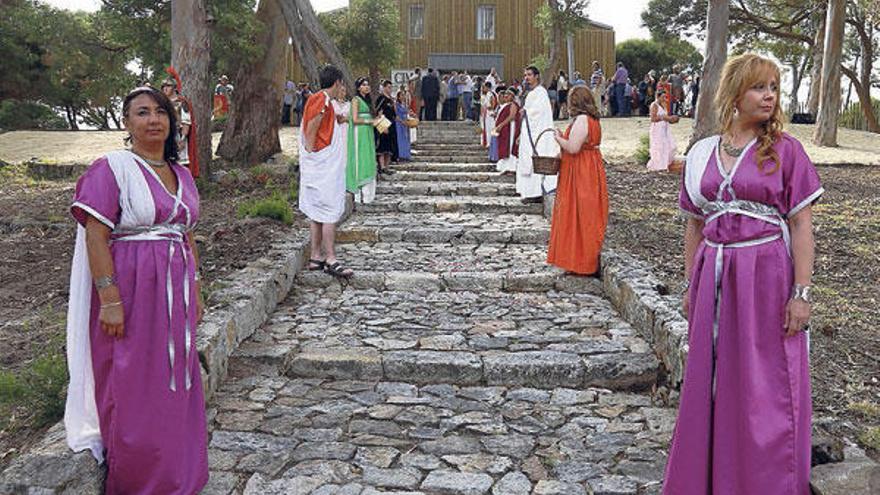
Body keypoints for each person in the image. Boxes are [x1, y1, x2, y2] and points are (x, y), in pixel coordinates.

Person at [664, 53, 823, 495]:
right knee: (713, 382)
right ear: (735, 94)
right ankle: (709, 479)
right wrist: (689, 285)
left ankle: (765, 482)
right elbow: (695, 224)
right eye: (759, 86)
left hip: (767, 280)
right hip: (713, 278)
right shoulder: (701, 154)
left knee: (765, 384)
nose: (769, 95)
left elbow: (801, 224)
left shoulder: (786, 151)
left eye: (774, 86)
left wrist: (802, 293)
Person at [64, 86, 208, 494]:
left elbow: (187, 236)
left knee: (174, 379)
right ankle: (138, 480)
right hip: (130, 291)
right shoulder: (111, 168)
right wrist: (109, 298)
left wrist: (195, 290)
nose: (153, 119)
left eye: (160, 111)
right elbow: (96, 235)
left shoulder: (181, 174)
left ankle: (180, 475)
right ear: (127, 123)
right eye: (142, 112)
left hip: (174, 294)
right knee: (131, 381)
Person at [299, 65, 354, 278]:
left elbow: (325, 122)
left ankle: (315, 256)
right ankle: (330, 257)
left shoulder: (325, 102)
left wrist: (340, 119)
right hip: (322, 165)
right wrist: (312, 153)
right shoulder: (321, 100)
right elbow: (312, 126)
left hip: (321, 164)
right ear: (337, 82)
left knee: (317, 213)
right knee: (329, 212)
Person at [547, 85, 608, 275]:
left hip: (580, 171)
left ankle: (581, 262)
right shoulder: (593, 120)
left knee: (578, 214)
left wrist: (558, 138)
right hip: (588, 167)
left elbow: (573, 148)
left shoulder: (582, 120)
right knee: (585, 213)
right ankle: (579, 260)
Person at [517, 66, 559, 204]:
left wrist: (526, 111)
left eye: (529, 75)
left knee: (535, 159)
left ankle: (537, 192)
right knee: (527, 160)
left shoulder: (541, 92)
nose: (526, 78)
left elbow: (540, 112)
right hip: (528, 132)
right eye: (525, 75)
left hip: (537, 133)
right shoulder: (531, 93)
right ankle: (528, 192)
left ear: (536, 76)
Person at [160, 70, 199, 178]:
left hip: (177, 137)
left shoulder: (182, 103)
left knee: (179, 166)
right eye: (163, 86)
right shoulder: (161, 103)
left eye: (168, 86)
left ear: (175, 88)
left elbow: (186, 123)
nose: (165, 88)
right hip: (164, 137)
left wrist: (182, 139)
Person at [347, 77, 378, 204]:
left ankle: (369, 194)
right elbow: (354, 119)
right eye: (364, 85)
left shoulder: (368, 101)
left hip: (368, 132)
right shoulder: (356, 100)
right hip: (359, 132)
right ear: (359, 87)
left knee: (368, 157)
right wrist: (369, 121)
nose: (367, 87)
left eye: (368, 84)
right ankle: (359, 192)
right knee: (360, 157)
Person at [647, 90, 679, 171]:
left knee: (668, 145)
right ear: (658, 97)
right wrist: (663, 118)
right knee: (659, 147)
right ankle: (658, 165)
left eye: (665, 97)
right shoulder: (654, 105)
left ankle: (665, 164)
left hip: (664, 128)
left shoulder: (664, 105)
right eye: (663, 97)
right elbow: (653, 118)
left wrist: (671, 119)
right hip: (657, 129)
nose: (664, 99)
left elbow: (666, 116)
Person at [494, 86, 520, 175]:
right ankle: (505, 167)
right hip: (505, 130)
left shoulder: (513, 104)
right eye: (505, 94)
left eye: (508, 94)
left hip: (511, 129)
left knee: (510, 147)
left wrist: (501, 125)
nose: (506, 96)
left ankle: (512, 168)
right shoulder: (504, 105)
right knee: (504, 147)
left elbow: (512, 116)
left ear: (513, 96)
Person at [375, 80, 399, 170]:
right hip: (383, 125)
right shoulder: (381, 99)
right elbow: (378, 113)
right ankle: (382, 166)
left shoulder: (391, 100)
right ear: (384, 87)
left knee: (390, 147)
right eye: (388, 87)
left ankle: (387, 166)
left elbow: (394, 114)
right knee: (382, 147)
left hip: (392, 124)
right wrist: (382, 126)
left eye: (391, 87)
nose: (390, 89)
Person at [480, 82, 498, 162]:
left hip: (489, 112)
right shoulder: (487, 94)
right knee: (486, 128)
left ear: (487, 87)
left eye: (484, 87)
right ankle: (487, 142)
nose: (483, 89)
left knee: (490, 128)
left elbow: (493, 102)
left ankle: (489, 143)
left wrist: (491, 108)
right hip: (486, 112)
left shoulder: (491, 94)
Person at [395, 90, 412, 161]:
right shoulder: (396, 104)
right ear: (398, 97)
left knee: (406, 138)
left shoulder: (404, 104)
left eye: (403, 95)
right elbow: (396, 115)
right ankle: (401, 155)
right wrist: (401, 121)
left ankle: (406, 155)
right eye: (401, 95)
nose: (403, 97)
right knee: (400, 139)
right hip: (399, 123)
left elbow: (407, 112)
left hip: (405, 123)